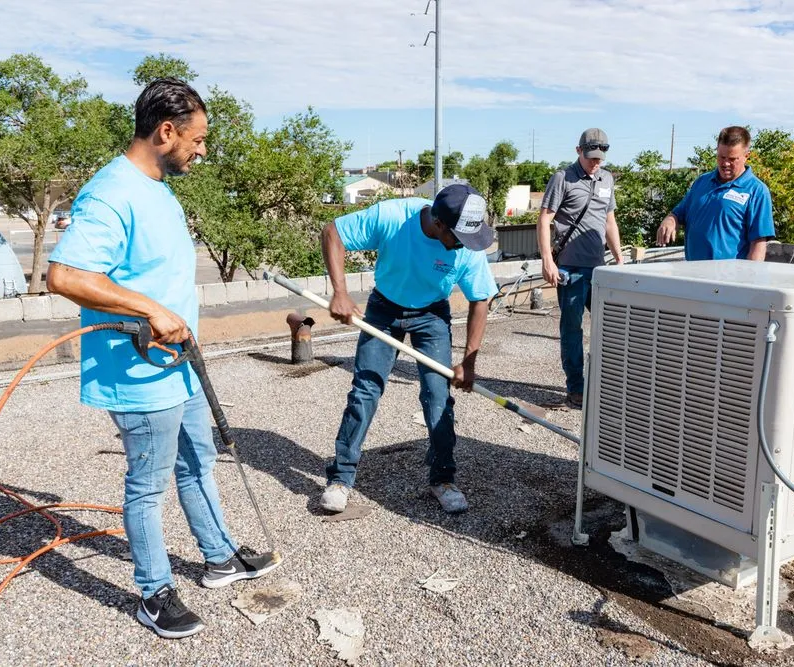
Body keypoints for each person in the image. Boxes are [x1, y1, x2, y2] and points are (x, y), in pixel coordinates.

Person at [47, 78, 278, 640]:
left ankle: (219, 556)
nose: (202, 150)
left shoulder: (157, 188)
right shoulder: (110, 192)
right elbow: (67, 275)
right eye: (196, 140)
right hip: (137, 370)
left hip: (179, 361)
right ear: (165, 131)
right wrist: (150, 309)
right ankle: (153, 591)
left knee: (198, 462)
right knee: (147, 485)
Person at [319, 184, 498, 515]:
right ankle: (341, 477)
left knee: (438, 396)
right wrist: (340, 292)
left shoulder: (467, 247)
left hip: (431, 315)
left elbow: (480, 298)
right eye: (459, 237)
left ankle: (443, 479)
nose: (465, 246)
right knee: (365, 390)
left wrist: (469, 360)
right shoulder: (391, 216)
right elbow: (333, 232)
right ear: (439, 223)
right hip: (384, 309)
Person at [536, 128, 623, 409]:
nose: (595, 163)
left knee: (612, 327)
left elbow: (609, 220)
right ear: (578, 151)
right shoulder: (562, 178)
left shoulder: (606, 178)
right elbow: (544, 218)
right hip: (570, 268)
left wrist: (619, 258)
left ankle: (607, 383)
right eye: (590, 158)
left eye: (599, 158)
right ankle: (576, 388)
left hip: (599, 269)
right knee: (572, 329)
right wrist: (547, 260)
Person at [656, 126, 775, 261]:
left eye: (732, 159)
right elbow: (678, 214)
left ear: (746, 156)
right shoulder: (702, 182)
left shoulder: (756, 190)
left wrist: (750, 277)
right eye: (721, 157)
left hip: (728, 278)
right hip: (692, 274)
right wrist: (670, 220)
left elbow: (758, 243)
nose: (725, 163)